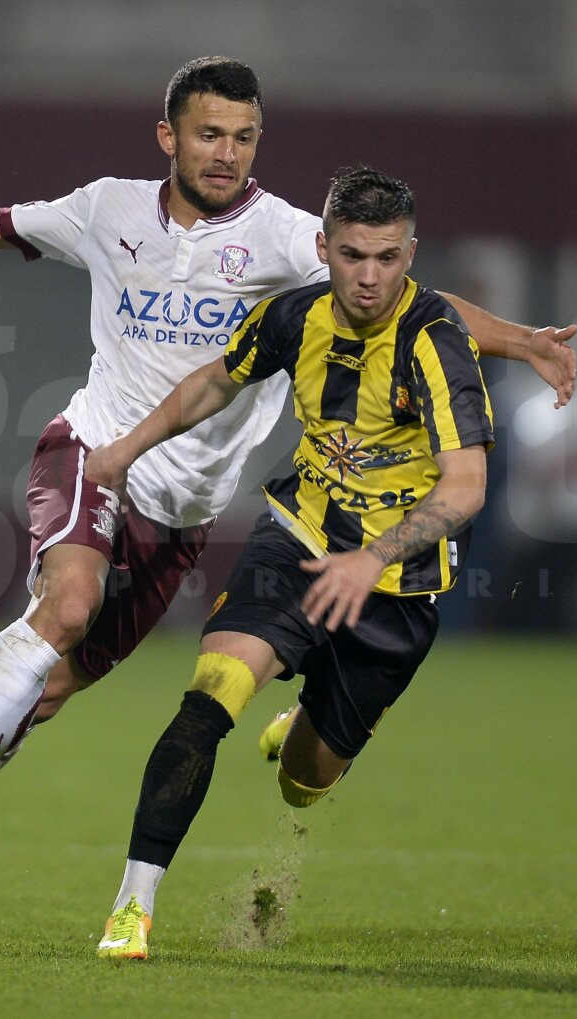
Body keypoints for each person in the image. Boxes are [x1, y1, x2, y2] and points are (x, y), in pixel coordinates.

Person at [0, 56, 576, 926]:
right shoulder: (107, 209)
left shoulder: (289, 237)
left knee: (44, 694)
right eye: (208, 134)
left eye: (242, 136)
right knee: (69, 606)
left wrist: (525, 340)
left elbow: (415, 301)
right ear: (169, 136)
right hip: (95, 450)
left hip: (182, 515)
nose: (226, 153)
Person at [84, 166, 493, 960]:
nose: (368, 277)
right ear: (322, 249)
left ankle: (301, 726)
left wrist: (372, 559)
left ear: (412, 253)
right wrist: (127, 448)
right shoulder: (293, 317)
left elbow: (468, 486)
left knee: (304, 781)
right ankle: (132, 906)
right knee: (209, 698)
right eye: (350, 256)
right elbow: (215, 379)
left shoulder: (438, 343)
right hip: (300, 541)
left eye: (386, 257)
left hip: (399, 588)